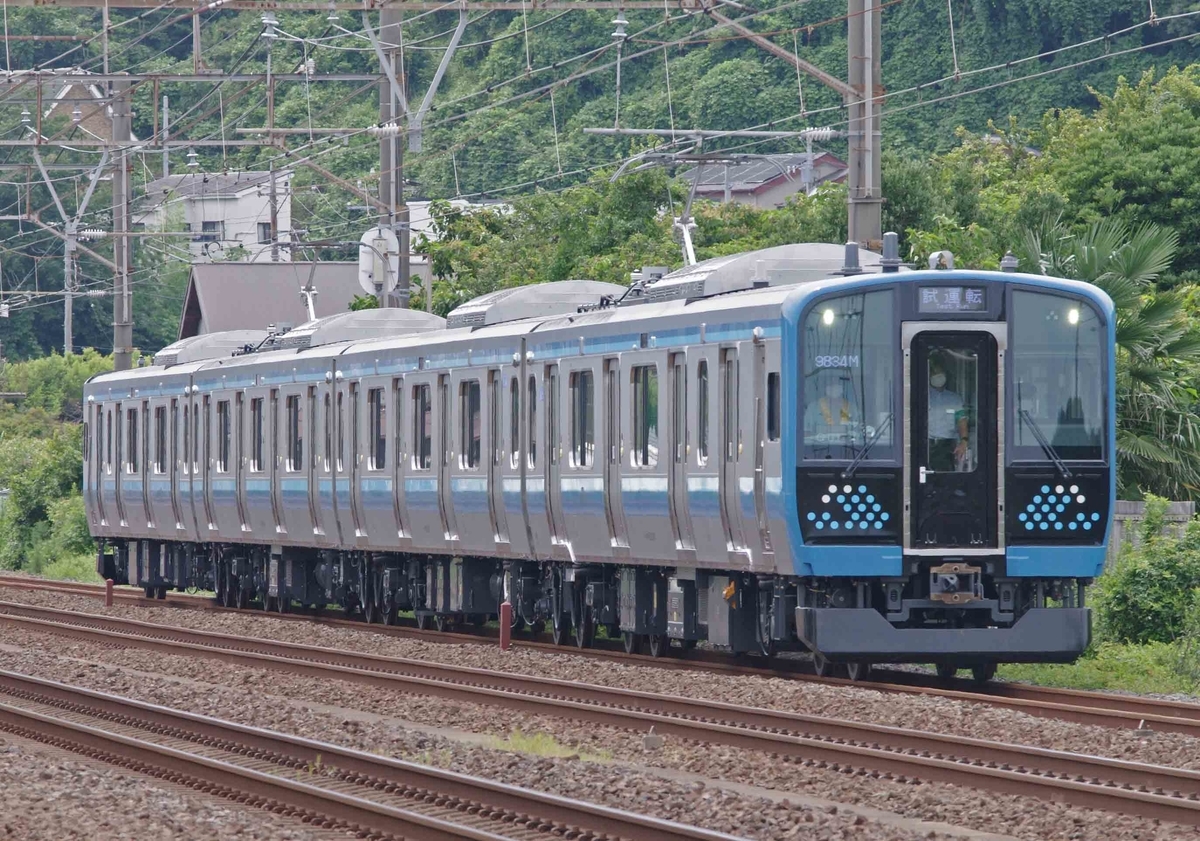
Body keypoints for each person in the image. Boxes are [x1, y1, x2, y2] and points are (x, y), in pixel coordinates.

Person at [926, 355, 970, 472]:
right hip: (926, 445)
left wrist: (964, 441)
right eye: (934, 372)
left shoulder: (955, 399)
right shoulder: (923, 396)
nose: (937, 376)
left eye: (940, 372)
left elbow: (962, 420)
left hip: (946, 446)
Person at [805, 374, 859, 445]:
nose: (834, 388)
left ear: (842, 388)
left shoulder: (851, 407)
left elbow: (858, 432)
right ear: (826, 388)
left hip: (848, 450)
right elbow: (806, 432)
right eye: (831, 385)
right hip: (818, 449)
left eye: (837, 385)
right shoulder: (813, 407)